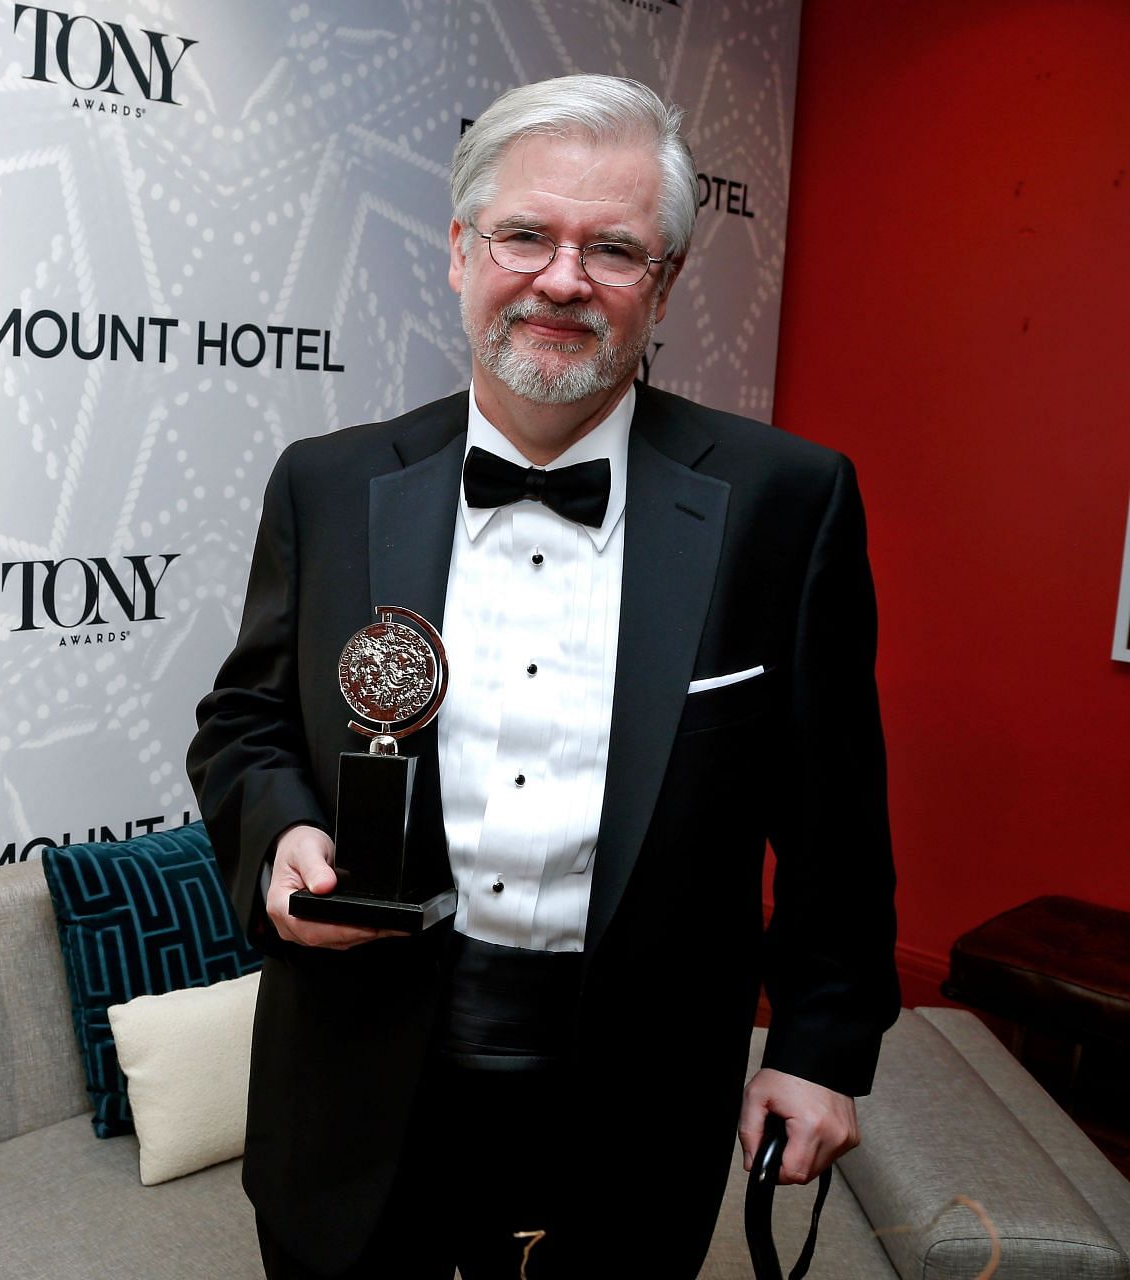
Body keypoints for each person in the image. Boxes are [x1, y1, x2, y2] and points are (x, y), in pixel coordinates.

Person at [186, 74, 899, 1278]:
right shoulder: (326, 482)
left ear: (662, 285)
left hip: (633, 1080)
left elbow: (835, 809)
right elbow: (246, 720)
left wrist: (822, 1042)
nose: (562, 279)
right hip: (358, 1067)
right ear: (463, 251)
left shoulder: (787, 498)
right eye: (525, 234)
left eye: (613, 248)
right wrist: (282, 834)